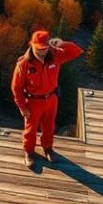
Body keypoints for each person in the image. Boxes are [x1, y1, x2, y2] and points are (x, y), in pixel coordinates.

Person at [10, 30, 83, 169]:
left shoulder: (55, 55)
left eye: (44, 48)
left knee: (49, 126)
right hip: (33, 102)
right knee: (30, 129)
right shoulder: (24, 64)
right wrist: (22, 107)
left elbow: (76, 52)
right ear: (32, 45)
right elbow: (16, 87)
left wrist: (62, 43)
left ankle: (48, 148)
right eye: (39, 49)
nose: (42, 52)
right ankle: (29, 152)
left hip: (51, 99)